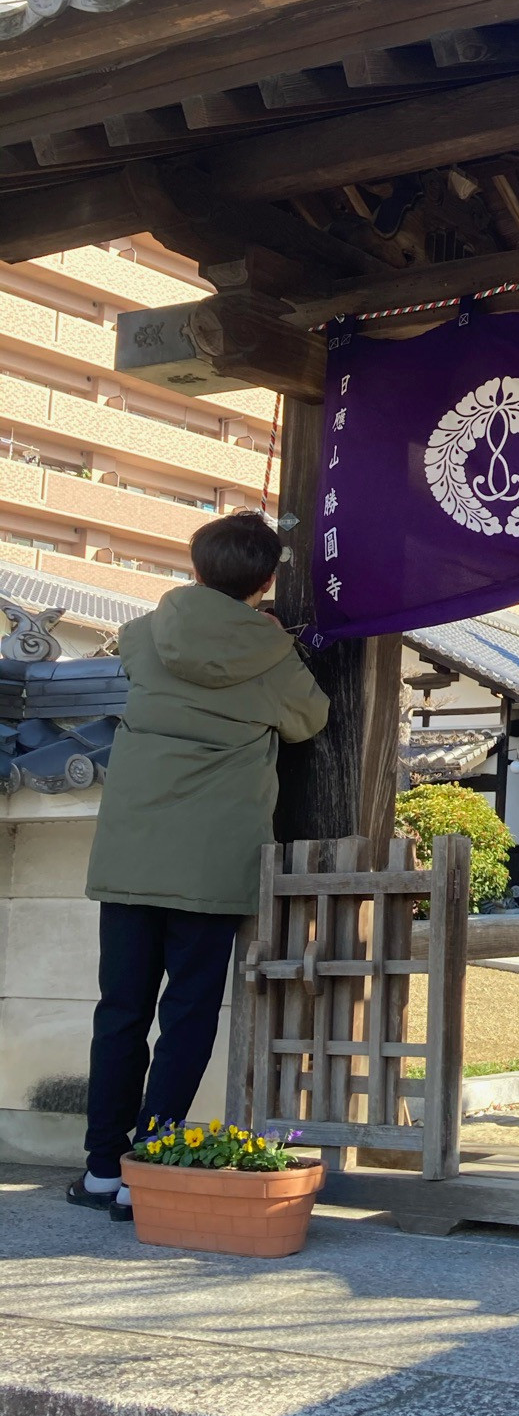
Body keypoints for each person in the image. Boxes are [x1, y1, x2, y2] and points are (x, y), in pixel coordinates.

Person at [68, 511, 329, 1218]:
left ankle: (99, 1166)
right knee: (185, 1014)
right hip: (213, 861)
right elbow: (311, 719)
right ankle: (146, 1167)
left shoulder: (149, 632)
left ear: (195, 564)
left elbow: (123, 658)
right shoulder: (272, 654)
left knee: (119, 1008)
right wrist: (276, 641)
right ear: (267, 579)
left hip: (130, 852)